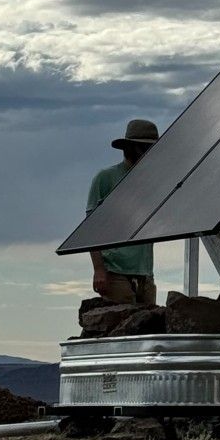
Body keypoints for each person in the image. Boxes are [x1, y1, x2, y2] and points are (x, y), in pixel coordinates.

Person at [86, 118, 159, 306]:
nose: (148, 153)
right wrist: (99, 269)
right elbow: (90, 228)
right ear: (131, 147)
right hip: (115, 272)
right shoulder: (106, 178)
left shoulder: (153, 181)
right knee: (122, 326)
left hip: (145, 273)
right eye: (144, 148)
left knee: (149, 328)